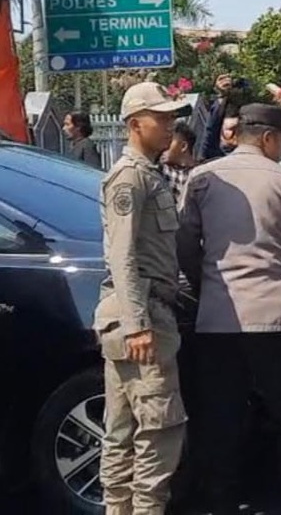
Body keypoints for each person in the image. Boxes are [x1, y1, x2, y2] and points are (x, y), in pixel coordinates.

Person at [177, 103, 281, 515]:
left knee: (220, 415)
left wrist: (208, 287)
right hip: (275, 316)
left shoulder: (202, 178)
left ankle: (222, 500)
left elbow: (185, 247)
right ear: (271, 138)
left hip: (218, 318)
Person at [93, 82, 191, 515]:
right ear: (135, 125)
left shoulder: (148, 172)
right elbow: (122, 254)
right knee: (159, 430)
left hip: (145, 310)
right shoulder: (131, 176)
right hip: (142, 315)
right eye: (162, 118)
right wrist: (138, 324)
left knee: (124, 431)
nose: (171, 125)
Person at [160, 120, 197, 203]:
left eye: (169, 143)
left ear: (183, 146)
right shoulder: (161, 172)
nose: (164, 147)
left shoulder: (200, 175)